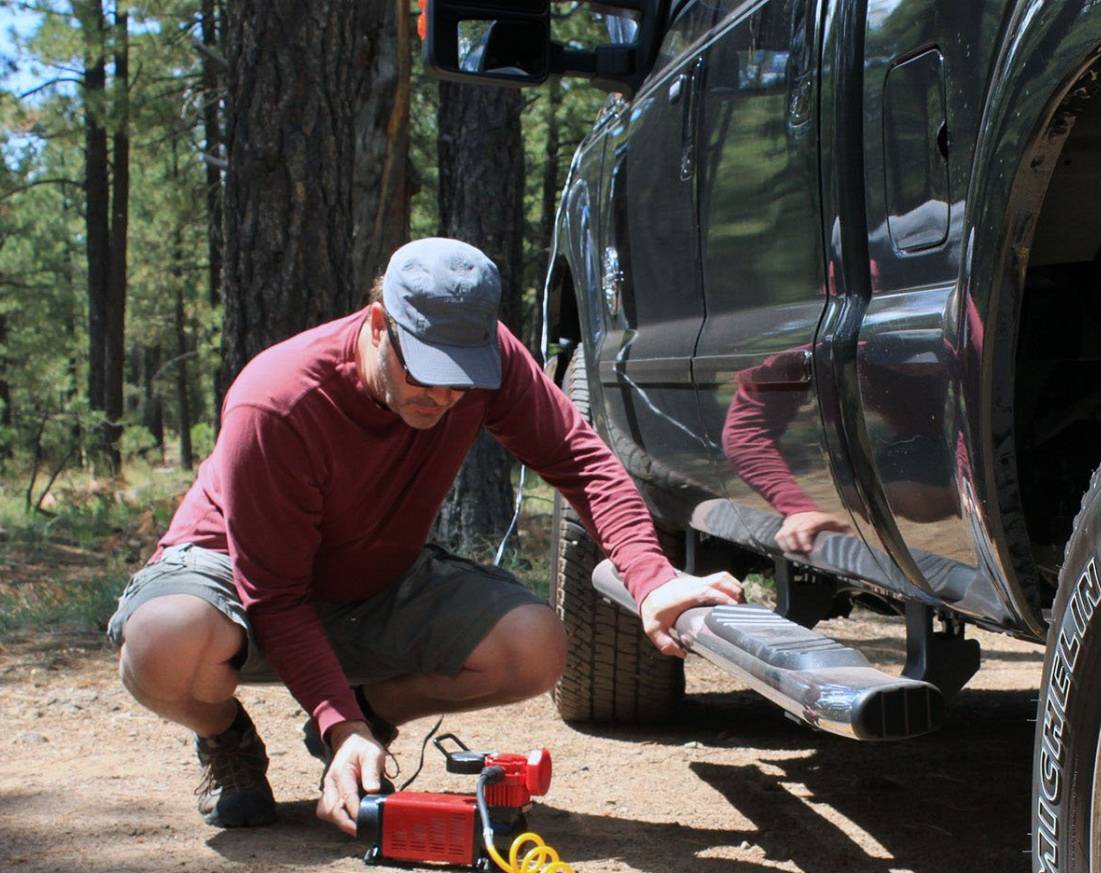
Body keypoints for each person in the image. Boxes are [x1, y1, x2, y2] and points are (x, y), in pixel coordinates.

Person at [108, 238, 741, 835]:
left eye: (461, 377)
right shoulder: (276, 401)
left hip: (375, 583)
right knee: (167, 639)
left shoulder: (486, 360)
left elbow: (580, 459)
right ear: (379, 325)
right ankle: (226, 738)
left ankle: (371, 709)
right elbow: (274, 594)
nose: (442, 396)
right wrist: (338, 727)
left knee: (533, 647)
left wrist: (653, 578)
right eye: (425, 373)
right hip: (236, 583)